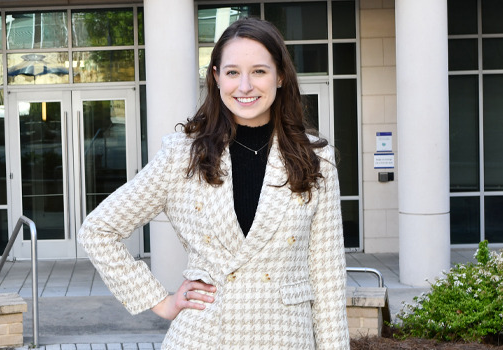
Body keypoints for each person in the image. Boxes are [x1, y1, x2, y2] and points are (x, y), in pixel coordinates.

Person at [78, 17, 349, 349]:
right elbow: (98, 230)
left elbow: (328, 279)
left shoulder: (314, 158)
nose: (245, 86)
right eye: (233, 72)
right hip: (204, 336)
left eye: (259, 71)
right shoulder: (183, 155)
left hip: (286, 337)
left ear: (280, 76)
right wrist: (161, 301)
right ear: (217, 77)